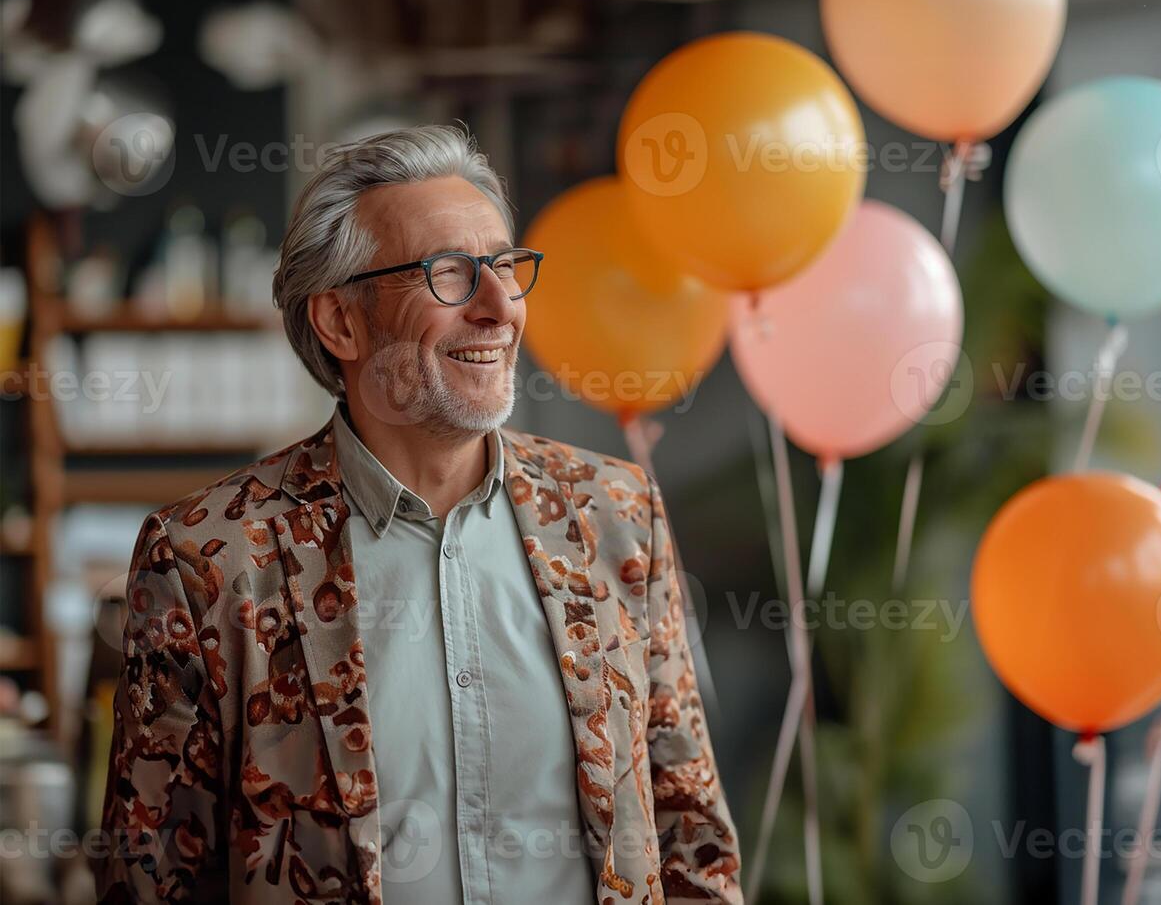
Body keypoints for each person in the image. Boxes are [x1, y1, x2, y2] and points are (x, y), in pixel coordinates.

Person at [95, 125, 742, 905]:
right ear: (341, 323)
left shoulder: (614, 512)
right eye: (450, 274)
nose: (501, 307)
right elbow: (150, 881)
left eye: (506, 267)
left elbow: (690, 835)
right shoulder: (208, 556)